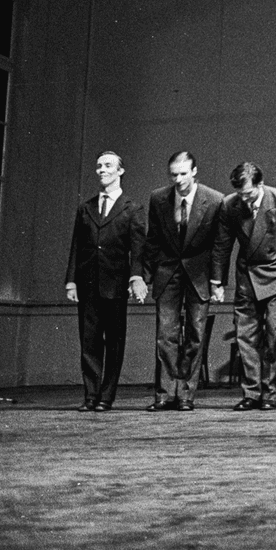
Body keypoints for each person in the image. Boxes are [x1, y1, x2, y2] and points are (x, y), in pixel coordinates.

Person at [211, 161, 276, 411]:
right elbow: (223, 245)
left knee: (275, 335)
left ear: (260, 185)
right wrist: (217, 281)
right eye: (240, 194)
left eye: (249, 194)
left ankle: (271, 392)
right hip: (247, 276)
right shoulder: (229, 204)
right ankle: (251, 393)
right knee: (246, 337)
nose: (244, 199)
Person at [64, 151, 148, 412]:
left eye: (108, 166)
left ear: (120, 171)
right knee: (89, 343)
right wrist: (71, 282)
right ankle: (90, 396)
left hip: (115, 285)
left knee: (114, 342)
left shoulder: (132, 208)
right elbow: (76, 246)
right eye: (99, 165)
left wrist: (136, 279)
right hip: (87, 285)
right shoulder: (86, 207)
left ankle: (106, 396)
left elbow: (138, 250)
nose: (101, 170)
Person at [141, 151, 222, 411]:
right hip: (167, 273)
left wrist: (217, 280)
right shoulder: (158, 198)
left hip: (199, 274)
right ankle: (164, 394)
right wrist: (145, 276)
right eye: (173, 174)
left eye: (183, 173)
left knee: (196, 336)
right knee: (166, 335)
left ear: (194, 171)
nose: (178, 179)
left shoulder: (214, 199)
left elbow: (219, 245)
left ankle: (186, 395)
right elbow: (152, 239)